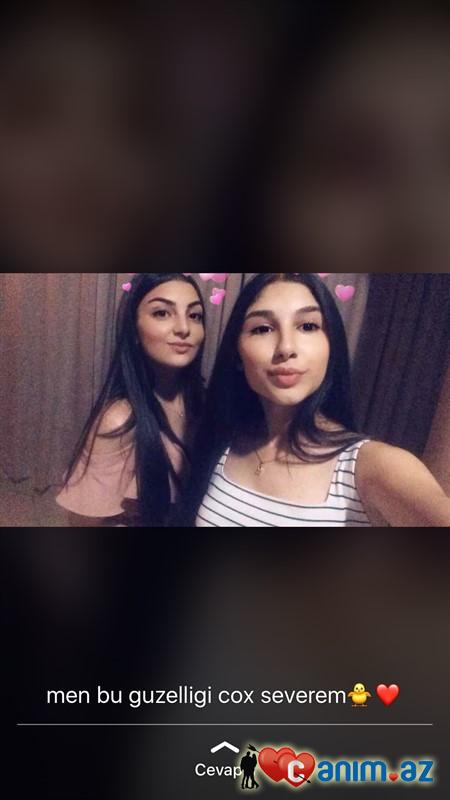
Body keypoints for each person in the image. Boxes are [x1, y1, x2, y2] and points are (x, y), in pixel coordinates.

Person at [186, 273, 449, 527]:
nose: (286, 347)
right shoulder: (228, 441)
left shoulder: (373, 465)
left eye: (308, 326)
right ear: (237, 355)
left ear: (331, 346)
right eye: (263, 328)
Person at [57, 272, 205, 527]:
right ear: (134, 329)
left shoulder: (201, 402)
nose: (184, 328)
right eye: (162, 313)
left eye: (195, 315)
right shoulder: (120, 419)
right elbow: (84, 522)